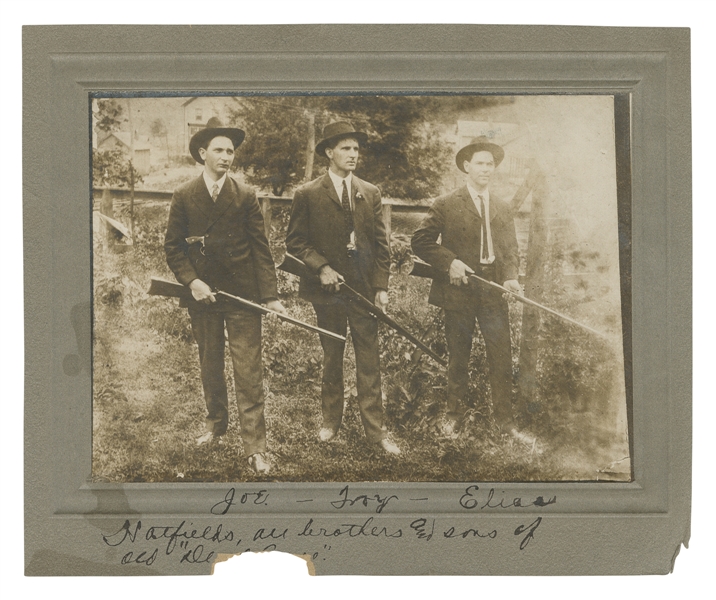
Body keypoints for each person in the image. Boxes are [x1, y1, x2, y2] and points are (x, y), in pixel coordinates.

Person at [164, 117, 286, 474]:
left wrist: (271, 295)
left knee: (248, 370)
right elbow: (173, 248)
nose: (226, 156)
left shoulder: (245, 195)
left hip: (242, 296)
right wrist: (191, 282)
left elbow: (261, 250)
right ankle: (215, 425)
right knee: (210, 364)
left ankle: (255, 447)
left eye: (230, 151)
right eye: (218, 149)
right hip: (203, 297)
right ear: (202, 153)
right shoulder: (184, 195)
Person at [286, 121, 400, 455]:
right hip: (327, 293)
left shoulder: (370, 192)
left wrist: (381, 286)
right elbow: (295, 241)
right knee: (332, 356)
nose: (353, 155)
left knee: (369, 361)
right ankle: (330, 422)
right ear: (328, 152)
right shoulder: (307, 194)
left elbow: (382, 245)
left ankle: (376, 431)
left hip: (364, 292)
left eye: (356, 149)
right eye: (346, 148)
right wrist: (321, 267)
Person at [412, 136, 533, 442]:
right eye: (480, 163)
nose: (486, 169)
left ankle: (506, 423)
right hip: (460, 290)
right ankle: (454, 419)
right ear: (466, 166)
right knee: (458, 357)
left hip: (492, 291)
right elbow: (421, 241)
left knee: (501, 357)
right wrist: (449, 261)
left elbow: (511, 250)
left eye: (490, 164)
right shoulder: (446, 203)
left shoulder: (503, 208)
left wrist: (510, 277)